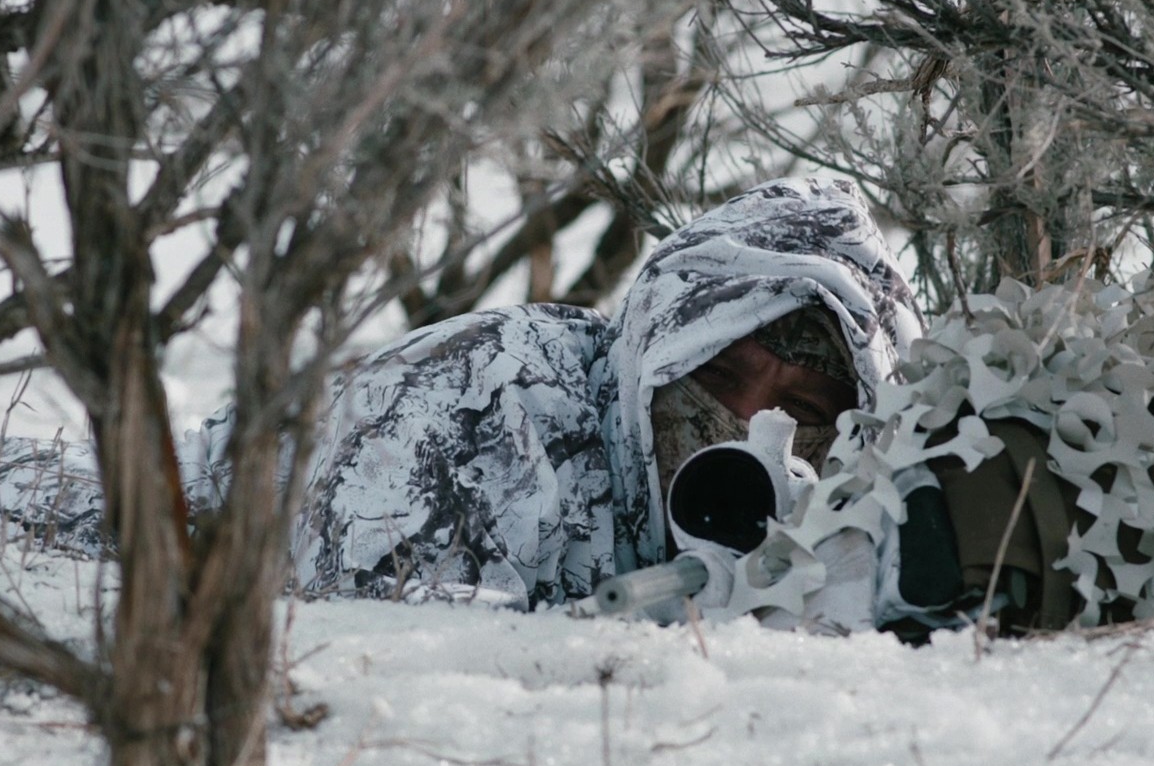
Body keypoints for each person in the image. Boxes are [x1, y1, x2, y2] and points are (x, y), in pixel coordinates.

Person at [293, 177, 923, 609]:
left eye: (804, 408)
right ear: (651, 357)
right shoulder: (480, 400)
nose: (748, 422)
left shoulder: (850, 518)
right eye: (719, 375)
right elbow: (394, 670)